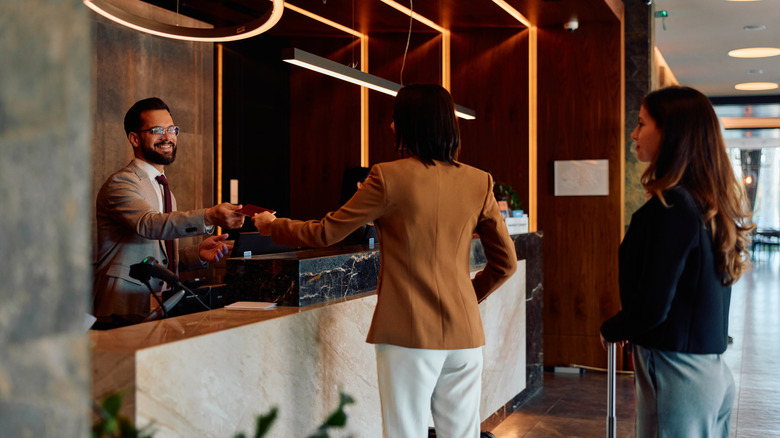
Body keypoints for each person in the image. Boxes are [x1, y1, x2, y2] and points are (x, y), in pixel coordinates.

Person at [253, 84, 517, 437]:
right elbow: (506, 264)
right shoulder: (479, 181)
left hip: (408, 334)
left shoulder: (388, 177)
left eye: (395, 119)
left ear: (408, 124)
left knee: (405, 432)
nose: (392, 127)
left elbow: (326, 232)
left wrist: (273, 226)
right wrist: (469, 296)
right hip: (465, 336)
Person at [600, 86, 753, 438]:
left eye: (641, 123)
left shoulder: (672, 208)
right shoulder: (707, 205)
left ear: (670, 132)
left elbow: (654, 304)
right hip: (709, 373)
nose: (634, 133)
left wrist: (615, 328)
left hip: (677, 374)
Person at [93, 97, 245, 321]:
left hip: (162, 304)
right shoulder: (121, 183)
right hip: (124, 304)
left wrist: (197, 254)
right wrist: (209, 216)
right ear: (134, 138)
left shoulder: (165, 190)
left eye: (172, 129)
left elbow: (157, 259)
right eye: (157, 130)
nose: (167, 137)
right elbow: (149, 225)